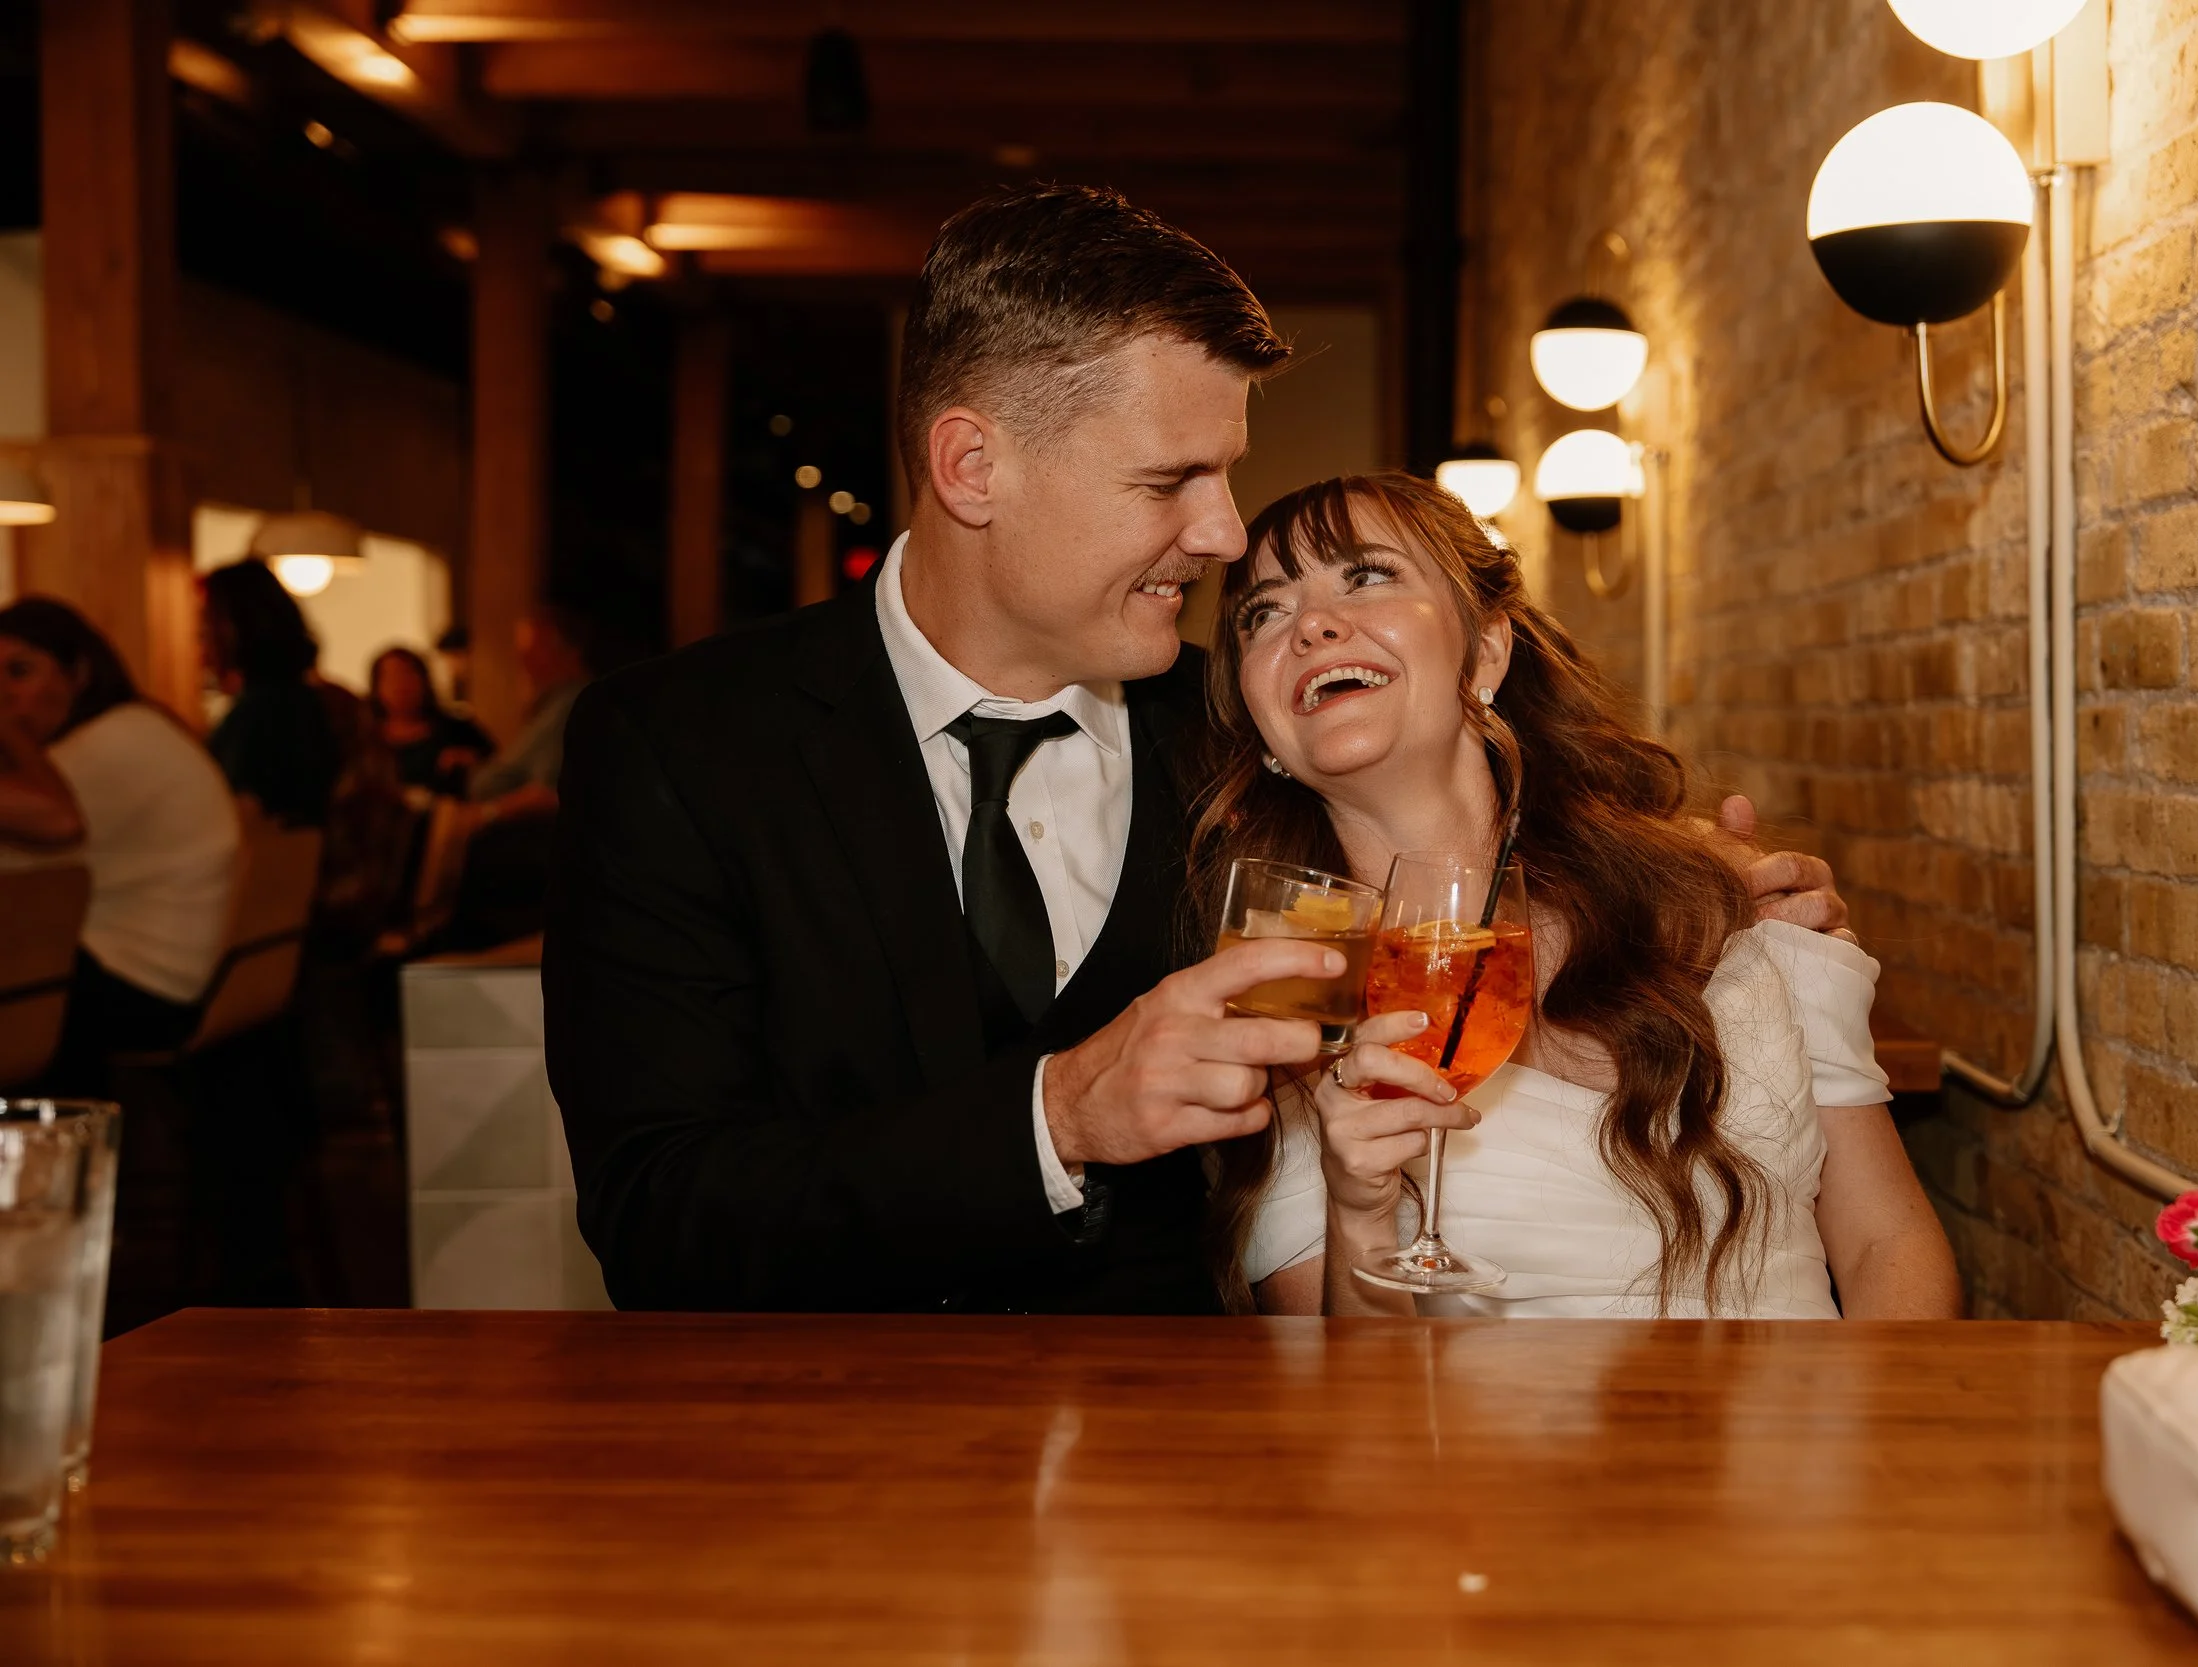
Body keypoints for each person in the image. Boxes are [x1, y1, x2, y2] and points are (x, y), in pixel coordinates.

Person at [543, 184, 1852, 1316]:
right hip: (813, 1456)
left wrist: (1700, 891)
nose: (1226, 534)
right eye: (1171, 480)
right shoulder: (678, 748)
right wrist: (1059, 1117)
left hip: (1192, 1467)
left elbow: (1472, 863)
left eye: (1224, 474)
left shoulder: (1246, 738)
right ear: (973, 467)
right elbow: (659, 1212)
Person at [1203, 474, 1960, 1320]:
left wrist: (1872, 1410)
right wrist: (1359, 1214)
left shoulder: (1720, 894)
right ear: (1261, 724)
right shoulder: (1283, 990)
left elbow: (1887, 1242)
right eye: (1263, 612)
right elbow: (1327, 1378)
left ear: (1487, 650)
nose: (1311, 624)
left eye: (1367, 575)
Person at [0, 598, 241, 1095]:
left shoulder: (104, 747)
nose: (3, 692)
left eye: (18, 671)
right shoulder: (132, 726)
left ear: (79, 673)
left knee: (23, 982)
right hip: (182, 974)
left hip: (147, 986)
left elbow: (20, 866)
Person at [202, 558, 339, 829]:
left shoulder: (264, 708)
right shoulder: (294, 698)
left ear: (234, 628)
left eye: (208, 623)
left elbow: (246, 811)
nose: (203, 638)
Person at [466, 606, 591, 821]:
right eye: (522, 652)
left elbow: (548, 793)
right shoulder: (550, 704)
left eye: (534, 650)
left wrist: (485, 814)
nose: (523, 661)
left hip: (514, 828)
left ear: (568, 652)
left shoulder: (571, 705)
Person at [369, 645, 492, 797]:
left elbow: (498, 769)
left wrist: (470, 761)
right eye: (391, 677)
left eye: (408, 674)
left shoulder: (457, 730)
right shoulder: (366, 738)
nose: (401, 685)